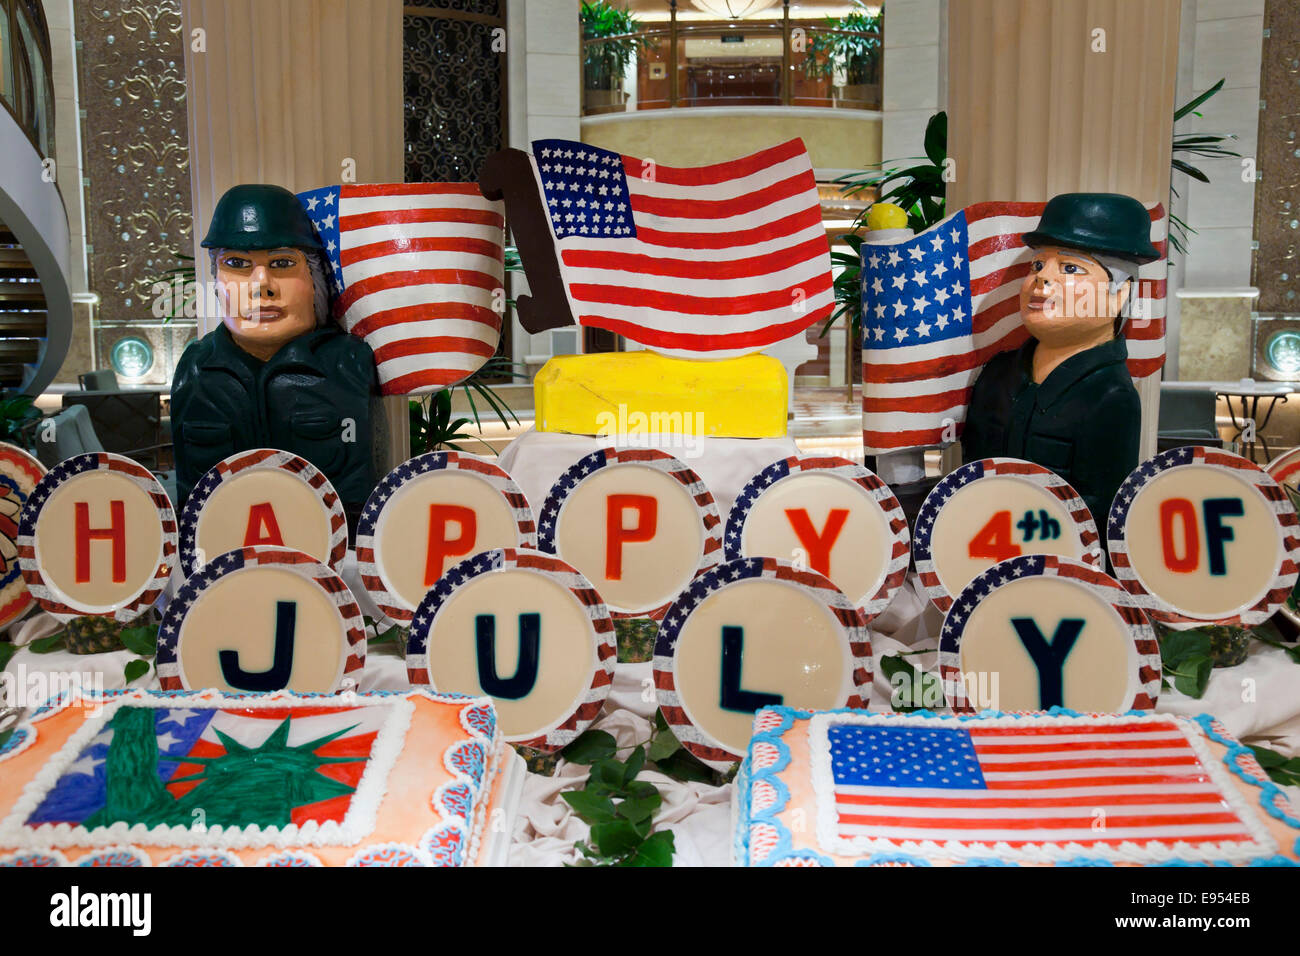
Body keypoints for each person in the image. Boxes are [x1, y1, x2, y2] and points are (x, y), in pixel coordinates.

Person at [170, 184, 379, 526]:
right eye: (237, 263)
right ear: (216, 279)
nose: (261, 284)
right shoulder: (194, 369)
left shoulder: (348, 363)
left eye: (282, 263)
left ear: (314, 278)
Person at [961, 193, 1160, 526]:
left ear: (1119, 295)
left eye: (1070, 268)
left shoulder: (1110, 396)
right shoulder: (998, 374)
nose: (1042, 278)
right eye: (1038, 265)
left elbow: (1099, 514)